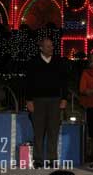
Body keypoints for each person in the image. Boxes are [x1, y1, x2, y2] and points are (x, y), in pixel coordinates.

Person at [25, 38, 68, 169]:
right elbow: (28, 83)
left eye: (52, 46)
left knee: (53, 131)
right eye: (48, 46)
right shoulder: (33, 62)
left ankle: (52, 159)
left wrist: (64, 98)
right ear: (41, 48)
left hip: (55, 100)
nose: (51, 48)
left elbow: (64, 81)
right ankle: (38, 159)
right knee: (38, 131)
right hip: (37, 101)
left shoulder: (58, 62)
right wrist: (29, 100)